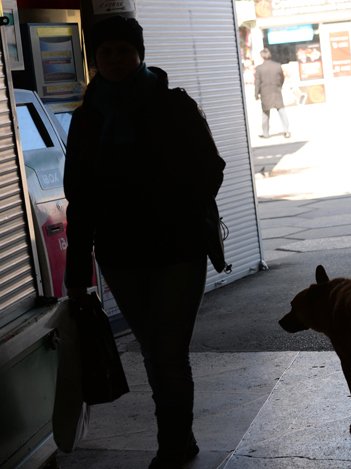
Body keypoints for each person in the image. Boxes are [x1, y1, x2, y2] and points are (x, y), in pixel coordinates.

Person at [63, 15, 226, 468]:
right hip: (120, 253)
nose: (114, 59)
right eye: (105, 52)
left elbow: (211, 166)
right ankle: (179, 436)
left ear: (140, 53)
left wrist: (173, 198)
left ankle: (173, 445)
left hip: (177, 247)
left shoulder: (174, 105)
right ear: (94, 58)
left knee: (168, 352)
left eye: (122, 50)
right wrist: (77, 273)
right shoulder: (86, 120)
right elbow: (80, 198)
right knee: (155, 349)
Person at [254, 48, 291, 138]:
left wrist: (256, 94)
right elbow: (282, 78)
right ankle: (286, 130)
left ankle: (266, 133)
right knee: (282, 111)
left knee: (265, 114)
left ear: (262, 56)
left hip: (265, 93)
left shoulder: (259, 68)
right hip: (276, 91)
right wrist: (279, 86)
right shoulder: (277, 66)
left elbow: (257, 82)